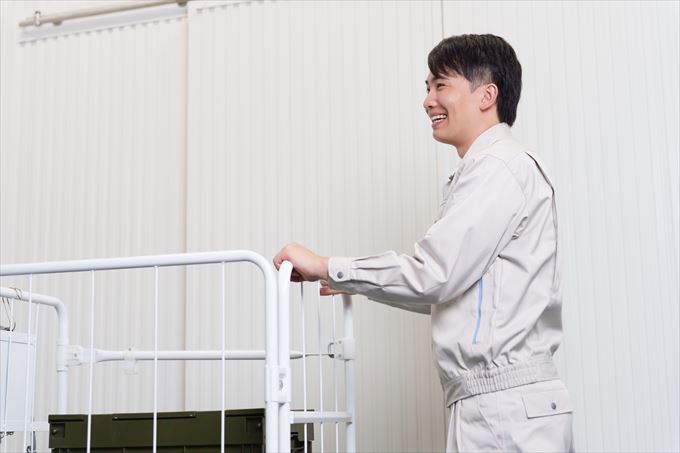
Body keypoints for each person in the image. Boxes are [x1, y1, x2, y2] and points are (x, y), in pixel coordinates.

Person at [274, 34, 574, 452]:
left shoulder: (498, 168)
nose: (428, 101)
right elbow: (453, 290)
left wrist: (329, 266)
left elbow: (435, 274)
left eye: (440, 85)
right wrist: (351, 281)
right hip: (495, 405)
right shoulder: (490, 170)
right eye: (427, 87)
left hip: (504, 409)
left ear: (487, 95)